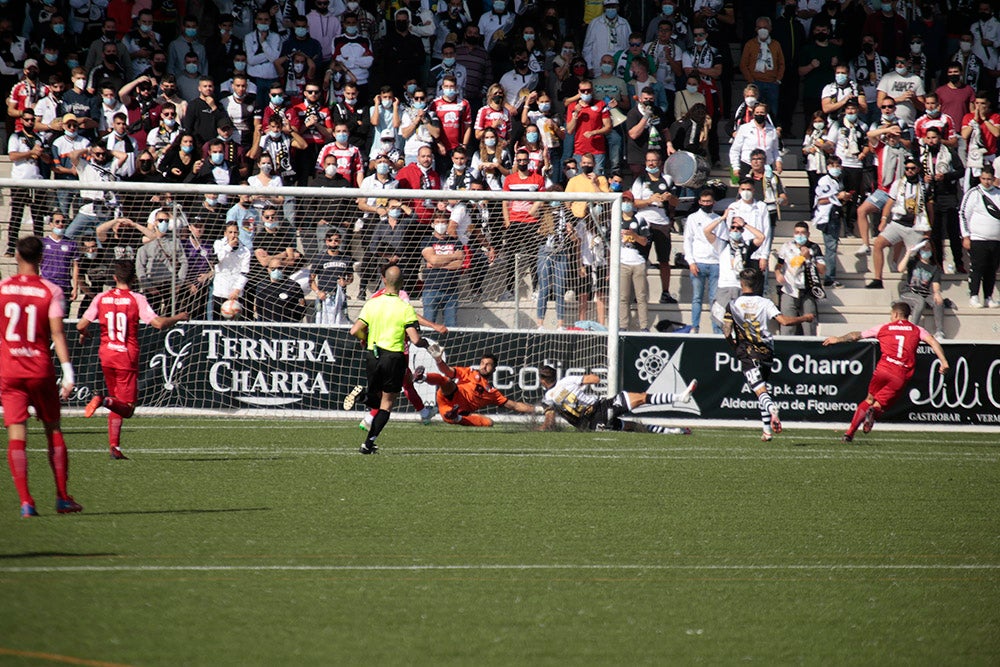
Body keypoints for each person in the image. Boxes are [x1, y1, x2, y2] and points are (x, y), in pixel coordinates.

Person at [0, 237, 81, 517]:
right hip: (39, 369)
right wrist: (68, 372)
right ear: (42, 258)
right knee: (53, 429)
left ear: (16, 257)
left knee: (16, 435)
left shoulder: (2, 288)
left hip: (10, 370)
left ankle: (26, 501)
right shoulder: (51, 290)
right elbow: (57, 333)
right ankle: (61, 497)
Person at [78, 261, 189, 459]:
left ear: (114, 278)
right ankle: (101, 399)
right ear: (134, 279)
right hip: (126, 357)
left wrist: (84, 333)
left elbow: (80, 325)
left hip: (106, 355)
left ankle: (114, 447)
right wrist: (180, 316)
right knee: (127, 409)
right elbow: (159, 324)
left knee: (116, 401)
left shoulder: (101, 297)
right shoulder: (136, 299)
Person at [823, 301, 949, 442]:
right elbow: (933, 342)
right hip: (900, 374)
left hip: (882, 370)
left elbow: (855, 336)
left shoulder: (883, 328)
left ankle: (849, 434)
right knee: (878, 406)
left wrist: (838, 339)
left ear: (895, 314)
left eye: (891, 315)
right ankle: (873, 412)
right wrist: (943, 361)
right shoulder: (917, 330)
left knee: (869, 399)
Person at [720, 268, 815, 442]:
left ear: (741, 284)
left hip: (747, 352)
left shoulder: (733, 304)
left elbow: (726, 331)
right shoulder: (766, 303)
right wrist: (805, 318)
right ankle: (766, 431)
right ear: (757, 284)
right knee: (762, 389)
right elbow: (784, 321)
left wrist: (735, 347)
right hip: (767, 352)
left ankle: (772, 408)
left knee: (759, 391)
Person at [349, 265, 430, 454]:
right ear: (401, 284)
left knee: (377, 400)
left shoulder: (372, 303)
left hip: (373, 355)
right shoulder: (404, 307)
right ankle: (368, 443)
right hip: (393, 357)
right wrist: (425, 343)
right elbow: (415, 339)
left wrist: (365, 338)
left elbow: (354, 330)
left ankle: (363, 403)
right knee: (387, 403)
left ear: (384, 280)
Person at [538, 365, 697, 434]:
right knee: (642, 398)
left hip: (592, 425)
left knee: (631, 426)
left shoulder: (548, 398)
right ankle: (679, 397)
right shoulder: (567, 381)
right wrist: (581, 384)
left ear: (543, 381)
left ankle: (673, 431)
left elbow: (550, 418)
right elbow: (595, 379)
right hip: (600, 407)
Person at [418, 348, 537, 427]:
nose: (484, 367)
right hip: (450, 395)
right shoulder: (469, 372)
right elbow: (447, 371)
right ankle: (422, 377)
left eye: (488, 365)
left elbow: (514, 405)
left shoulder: (492, 392)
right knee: (446, 381)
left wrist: (539, 409)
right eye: (482, 363)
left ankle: (457, 417)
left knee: (489, 423)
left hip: (458, 411)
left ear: (494, 369)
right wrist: (438, 360)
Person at [958, 166, 1000, 309]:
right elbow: (963, 214)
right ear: (980, 178)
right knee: (977, 267)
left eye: (989, 179)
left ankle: (988, 296)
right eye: (984, 179)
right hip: (978, 238)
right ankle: (974, 296)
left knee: (991, 269)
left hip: (996, 240)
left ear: (994, 179)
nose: (987, 182)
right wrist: (966, 236)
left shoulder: (998, 193)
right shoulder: (973, 193)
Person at [774, 221, 826, 336]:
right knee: (787, 326)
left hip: (808, 290)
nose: (800, 235)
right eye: (797, 232)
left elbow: (822, 270)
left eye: (803, 233)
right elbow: (779, 265)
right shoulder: (786, 246)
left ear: (808, 234)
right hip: (789, 289)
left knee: (809, 326)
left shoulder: (814, 247)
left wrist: (809, 257)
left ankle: (810, 350)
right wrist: (778, 274)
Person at [683, 188, 723, 334]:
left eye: (709, 201)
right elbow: (688, 240)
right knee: (696, 298)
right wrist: (691, 262)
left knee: (714, 299)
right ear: (699, 202)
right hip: (698, 262)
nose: (706, 204)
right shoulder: (693, 218)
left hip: (715, 264)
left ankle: (716, 329)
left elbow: (722, 242)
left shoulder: (718, 219)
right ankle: (695, 327)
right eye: (704, 201)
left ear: (714, 202)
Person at [896, 238, 946, 339]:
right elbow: (900, 269)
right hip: (909, 292)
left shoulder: (934, 268)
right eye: (924, 248)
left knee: (938, 301)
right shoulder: (913, 262)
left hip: (924, 294)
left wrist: (937, 294)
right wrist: (908, 253)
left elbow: (935, 285)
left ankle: (939, 331)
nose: (926, 250)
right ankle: (913, 329)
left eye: (928, 248)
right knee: (919, 301)